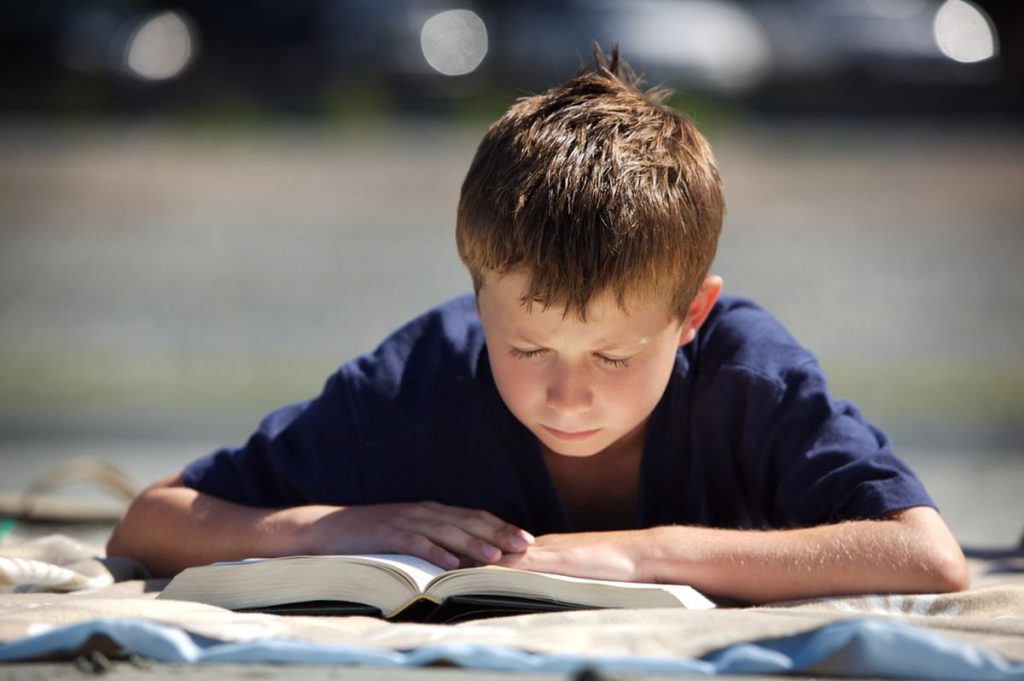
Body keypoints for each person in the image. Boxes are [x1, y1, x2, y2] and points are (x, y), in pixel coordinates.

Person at [107, 48, 969, 602]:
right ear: (479, 299)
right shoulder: (416, 383)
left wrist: (640, 555)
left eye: (614, 352)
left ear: (691, 316)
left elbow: (926, 555)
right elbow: (153, 520)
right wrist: (327, 527)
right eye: (524, 346)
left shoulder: (748, 376)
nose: (567, 393)